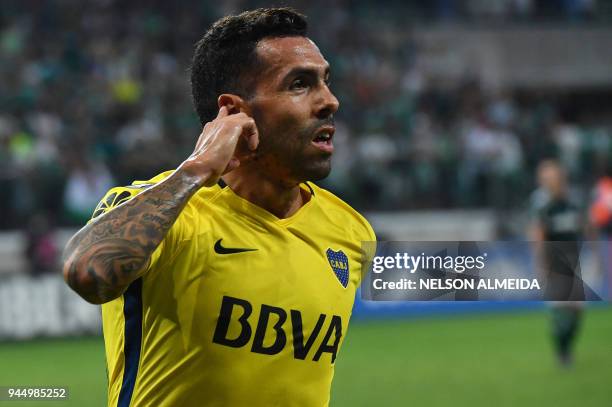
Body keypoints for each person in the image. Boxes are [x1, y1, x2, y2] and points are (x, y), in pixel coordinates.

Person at [62, 8, 375, 407]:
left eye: (326, 82)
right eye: (300, 84)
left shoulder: (350, 232)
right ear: (234, 111)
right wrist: (195, 171)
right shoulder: (169, 210)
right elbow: (87, 274)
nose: (330, 101)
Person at [530, 159, 585, 367]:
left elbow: (584, 226)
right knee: (562, 309)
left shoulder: (573, 201)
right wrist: (541, 264)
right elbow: (538, 234)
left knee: (578, 311)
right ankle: (563, 353)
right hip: (555, 262)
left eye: (553, 177)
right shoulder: (542, 204)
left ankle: (564, 346)